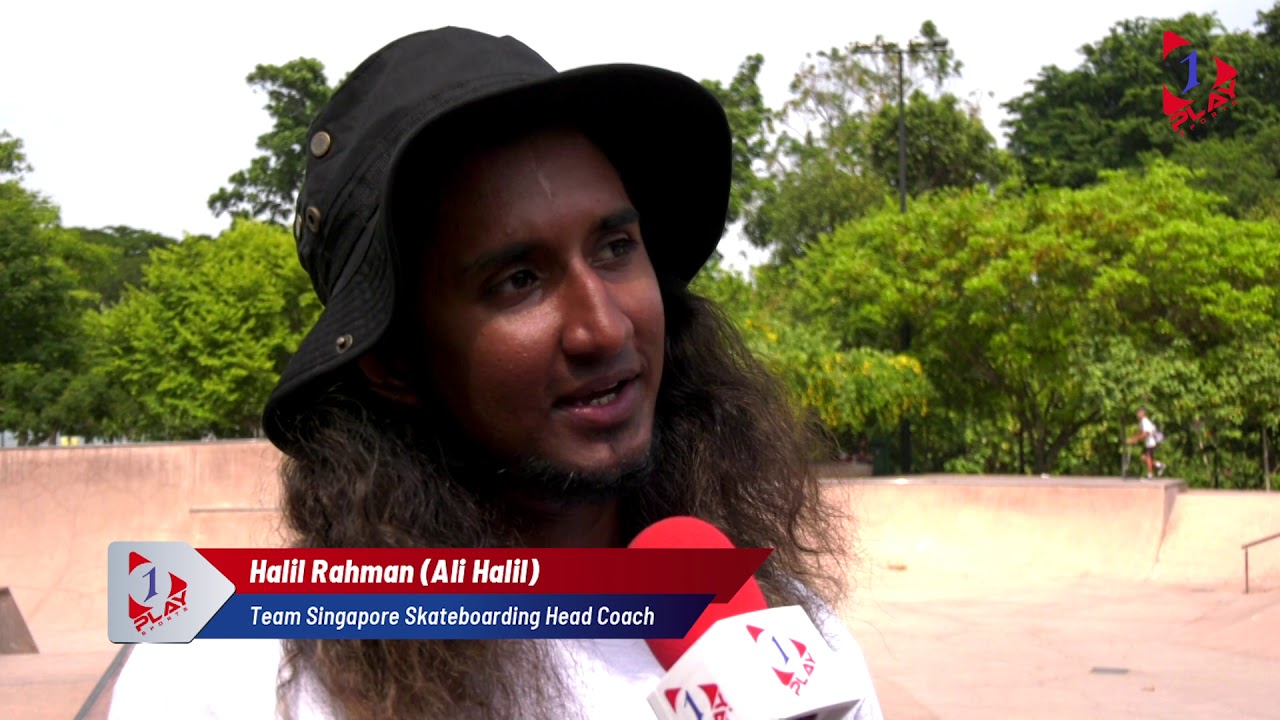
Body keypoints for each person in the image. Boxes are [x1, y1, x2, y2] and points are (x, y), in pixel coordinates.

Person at [109, 27, 883, 719]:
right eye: (518, 280)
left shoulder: (795, 645)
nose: (604, 326)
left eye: (615, 247)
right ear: (393, 362)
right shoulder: (229, 667)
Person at [1127, 407, 1167, 480]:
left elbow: (1146, 434)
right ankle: (1160, 465)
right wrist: (1134, 439)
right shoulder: (1142, 422)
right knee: (1144, 458)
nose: (1137, 414)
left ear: (1142, 413)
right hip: (1148, 442)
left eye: (1138, 413)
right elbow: (1141, 433)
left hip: (1152, 442)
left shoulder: (1145, 421)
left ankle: (1150, 475)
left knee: (1148, 458)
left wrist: (1135, 439)